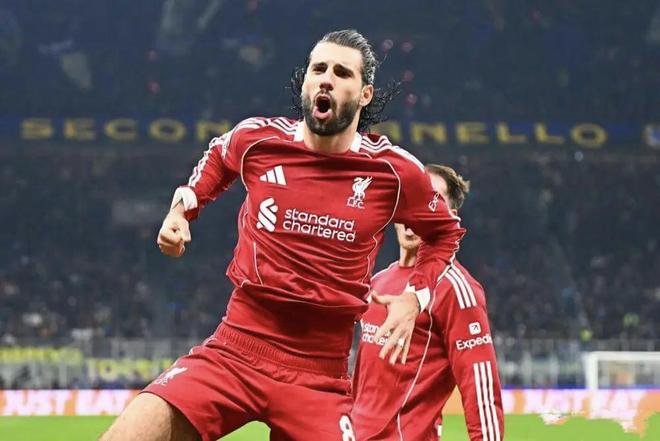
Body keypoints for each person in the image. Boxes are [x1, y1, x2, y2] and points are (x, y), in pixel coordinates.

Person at [101, 30, 465, 441]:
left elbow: (444, 233)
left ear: (365, 94)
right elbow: (219, 156)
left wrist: (416, 297)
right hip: (235, 349)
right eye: (318, 69)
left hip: (318, 376)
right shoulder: (259, 140)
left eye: (342, 72)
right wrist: (183, 209)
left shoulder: (394, 172)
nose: (326, 79)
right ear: (305, 81)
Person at [351, 164, 504, 441]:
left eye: (433, 201)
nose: (419, 211)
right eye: (412, 198)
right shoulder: (377, 281)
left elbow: (480, 385)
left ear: (450, 218)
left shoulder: (455, 289)